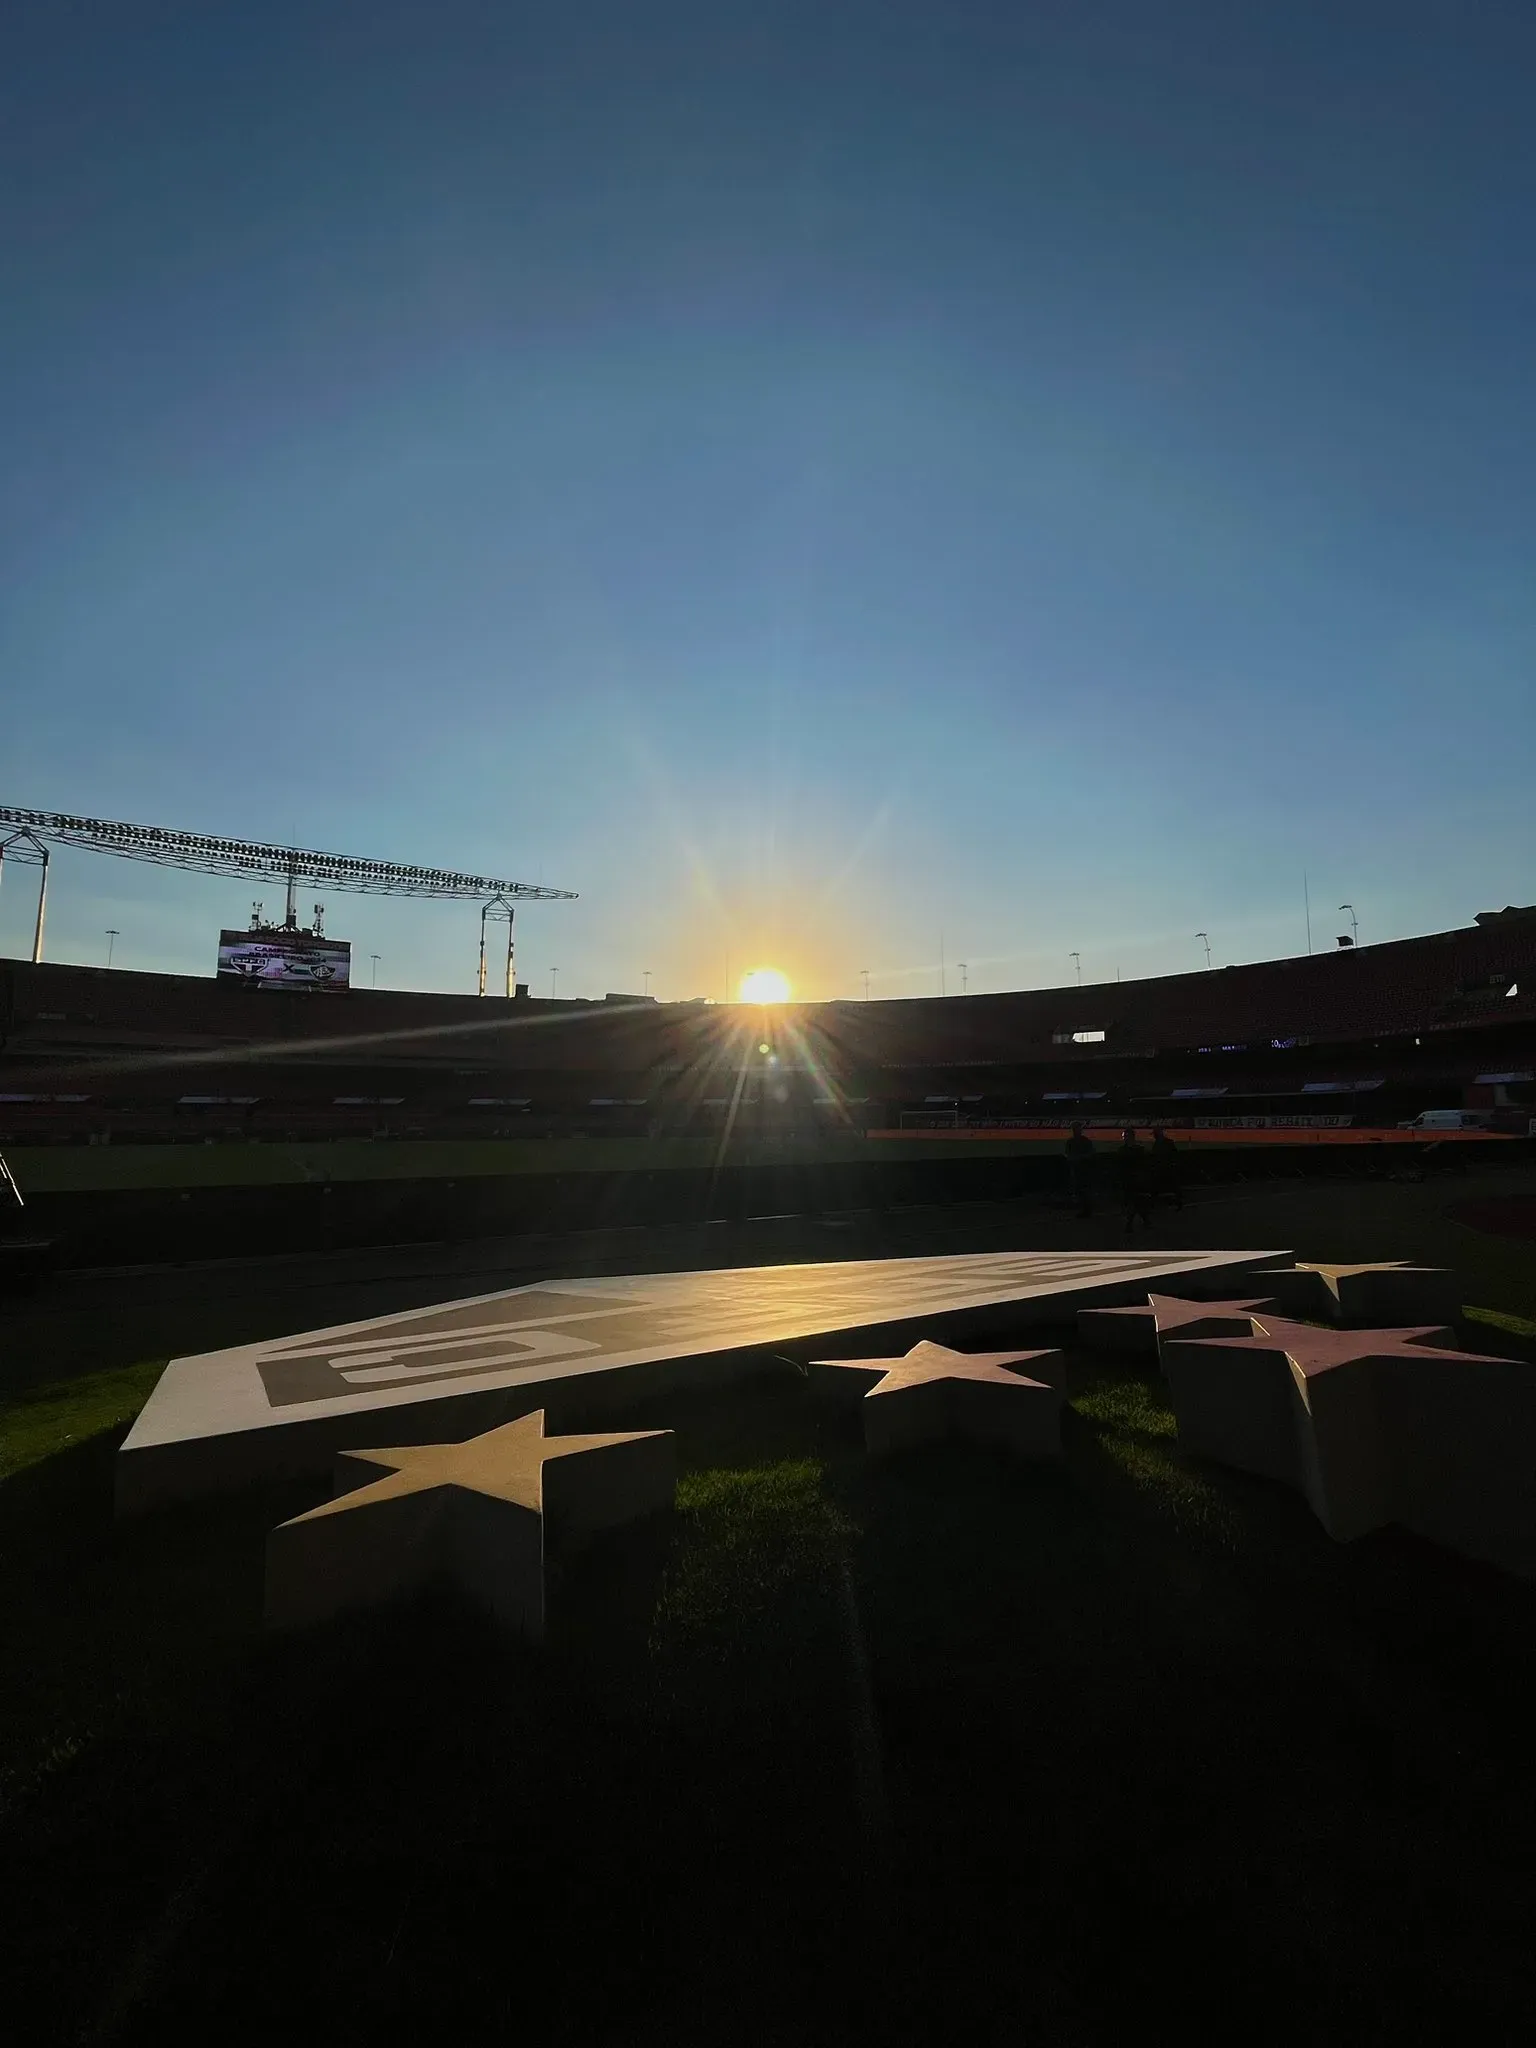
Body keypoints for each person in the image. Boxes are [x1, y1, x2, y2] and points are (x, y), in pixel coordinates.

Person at [1117, 1127, 1153, 1233]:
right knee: (1136, 1202)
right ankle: (1144, 1220)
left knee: (1134, 1201)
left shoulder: (1126, 1150)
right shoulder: (1137, 1149)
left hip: (1134, 1179)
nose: (1124, 1138)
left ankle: (1131, 1223)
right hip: (1132, 1179)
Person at [1063, 1123, 1096, 1217]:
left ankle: (1086, 1209)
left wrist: (1078, 1158)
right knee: (1080, 1190)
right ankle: (1085, 1209)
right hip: (1078, 1168)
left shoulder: (1082, 1142)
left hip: (1083, 1169)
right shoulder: (1074, 1142)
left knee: (1083, 1190)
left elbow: (1090, 1154)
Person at [1150, 1127, 1184, 1210]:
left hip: (1165, 1168)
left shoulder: (1160, 1144)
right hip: (1167, 1168)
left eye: (1155, 1134)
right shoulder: (1165, 1143)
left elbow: (1156, 1157)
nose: (1154, 1136)